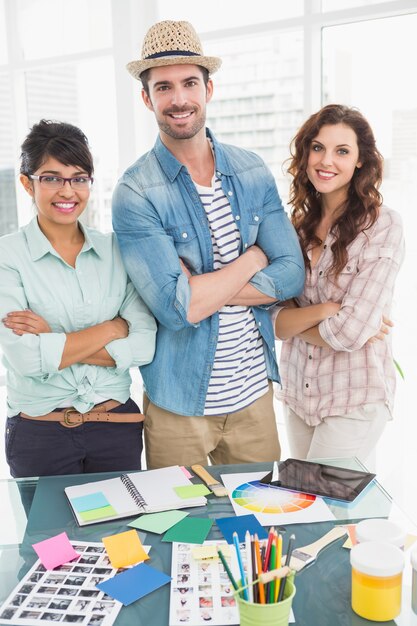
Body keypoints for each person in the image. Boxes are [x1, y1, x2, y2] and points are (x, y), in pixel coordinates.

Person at [112, 20, 305, 469]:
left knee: (256, 528)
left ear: (208, 89)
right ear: (147, 98)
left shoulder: (251, 170)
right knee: (182, 531)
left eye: (189, 83)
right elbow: (176, 311)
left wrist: (198, 288)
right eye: (164, 87)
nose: (179, 99)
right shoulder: (135, 192)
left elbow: (292, 272)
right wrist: (255, 258)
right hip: (178, 404)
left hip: (255, 397)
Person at [0, 119, 156, 478]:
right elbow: (26, 358)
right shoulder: (7, 256)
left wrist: (52, 340)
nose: (67, 191)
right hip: (40, 432)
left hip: (116, 426)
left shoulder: (116, 250)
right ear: (27, 183)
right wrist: (114, 327)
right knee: (50, 536)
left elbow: (144, 345)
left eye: (79, 178)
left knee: (122, 535)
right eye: (51, 178)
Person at [272, 104, 404, 467]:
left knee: (330, 509)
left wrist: (298, 322)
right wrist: (327, 312)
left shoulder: (382, 226)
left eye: (342, 151)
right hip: (300, 396)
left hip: (354, 396)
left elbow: (350, 332)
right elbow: (269, 320)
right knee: (313, 513)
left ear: (361, 160)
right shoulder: (294, 228)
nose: (326, 160)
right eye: (317, 147)